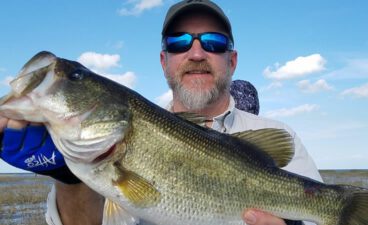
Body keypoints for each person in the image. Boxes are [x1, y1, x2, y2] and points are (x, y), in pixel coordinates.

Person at [0, 1, 322, 225]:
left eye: (213, 42)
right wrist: (69, 179)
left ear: (232, 61)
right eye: (179, 42)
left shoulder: (278, 133)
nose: (196, 52)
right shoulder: (95, 159)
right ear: (163, 61)